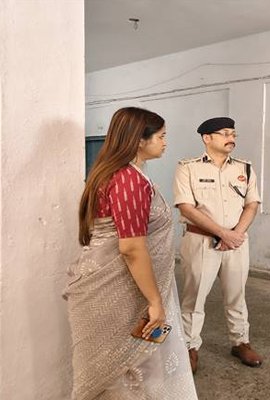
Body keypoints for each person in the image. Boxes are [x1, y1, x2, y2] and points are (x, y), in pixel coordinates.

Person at [64, 107, 198, 399]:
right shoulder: (128, 179)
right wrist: (155, 302)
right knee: (120, 376)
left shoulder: (117, 174)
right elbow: (132, 248)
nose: (165, 142)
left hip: (118, 286)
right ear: (139, 140)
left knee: (125, 374)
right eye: (161, 136)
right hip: (117, 291)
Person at [173, 117, 262, 373]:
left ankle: (240, 342)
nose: (231, 138)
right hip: (200, 241)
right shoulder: (188, 168)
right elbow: (186, 207)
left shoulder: (245, 168)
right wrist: (223, 233)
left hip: (236, 243)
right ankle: (190, 347)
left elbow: (252, 204)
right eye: (225, 133)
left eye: (233, 134)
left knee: (237, 295)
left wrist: (235, 234)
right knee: (194, 297)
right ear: (207, 138)